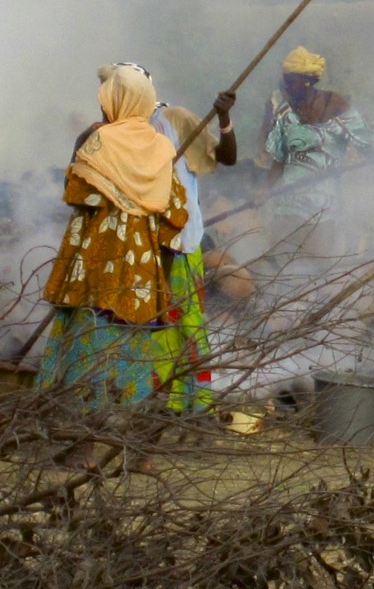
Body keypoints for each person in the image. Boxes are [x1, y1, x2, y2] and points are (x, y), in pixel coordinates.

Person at [36, 65, 190, 418]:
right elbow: (176, 216)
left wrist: (81, 144)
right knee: (131, 349)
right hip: (140, 276)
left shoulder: (100, 141)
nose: (103, 108)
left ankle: (81, 441)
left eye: (106, 100)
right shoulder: (161, 148)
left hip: (93, 266)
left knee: (87, 345)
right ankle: (127, 439)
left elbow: (75, 192)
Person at [96, 62, 238, 413]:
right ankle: (168, 407)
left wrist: (224, 120)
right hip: (140, 247)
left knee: (188, 324)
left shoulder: (173, 120)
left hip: (180, 243)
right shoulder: (115, 131)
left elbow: (228, 157)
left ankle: (201, 407)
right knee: (152, 328)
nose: (105, 103)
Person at [260, 46, 374, 255]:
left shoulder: (334, 105)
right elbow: (279, 160)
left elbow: (369, 134)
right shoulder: (285, 111)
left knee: (315, 269)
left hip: (322, 210)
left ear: (307, 81)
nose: (286, 86)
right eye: (285, 80)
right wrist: (265, 191)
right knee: (278, 265)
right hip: (286, 207)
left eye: (291, 81)